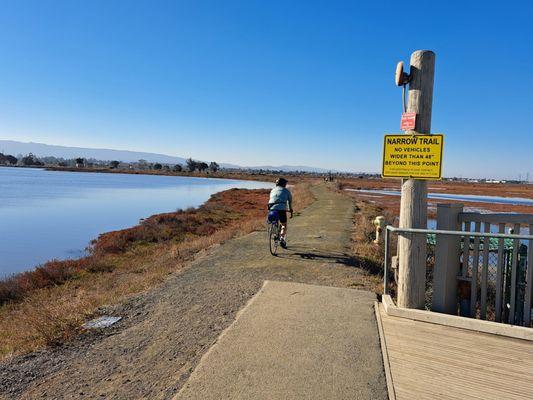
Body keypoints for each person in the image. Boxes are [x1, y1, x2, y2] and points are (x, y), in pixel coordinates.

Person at [268, 177, 293, 248]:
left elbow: (271, 199)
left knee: (273, 220)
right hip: (281, 209)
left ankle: (274, 231)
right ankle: (282, 238)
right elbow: (289, 201)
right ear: (283, 184)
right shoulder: (286, 191)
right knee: (284, 224)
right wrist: (290, 209)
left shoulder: (272, 190)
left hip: (271, 208)